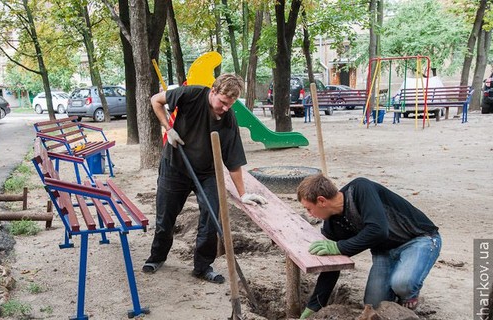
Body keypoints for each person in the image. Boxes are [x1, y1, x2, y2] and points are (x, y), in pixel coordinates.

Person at [142, 73, 267, 284]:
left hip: (207, 172)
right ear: (213, 92)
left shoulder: (228, 120)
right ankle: (157, 257)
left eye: (231, 104)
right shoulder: (191, 94)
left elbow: (234, 161)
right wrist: (168, 128)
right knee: (165, 216)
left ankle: (202, 266)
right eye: (223, 102)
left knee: (210, 218)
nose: (226, 108)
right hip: (175, 166)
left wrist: (243, 194)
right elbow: (156, 100)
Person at [296, 174, 441, 319]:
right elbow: (332, 267)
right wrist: (313, 307)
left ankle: (408, 297)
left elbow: (378, 230)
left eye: (309, 209)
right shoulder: (331, 224)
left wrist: (340, 247)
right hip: (384, 252)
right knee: (373, 306)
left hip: (419, 239)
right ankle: (395, 294)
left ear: (321, 200)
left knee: (402, 283)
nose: (310, 214)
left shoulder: (360, 189)